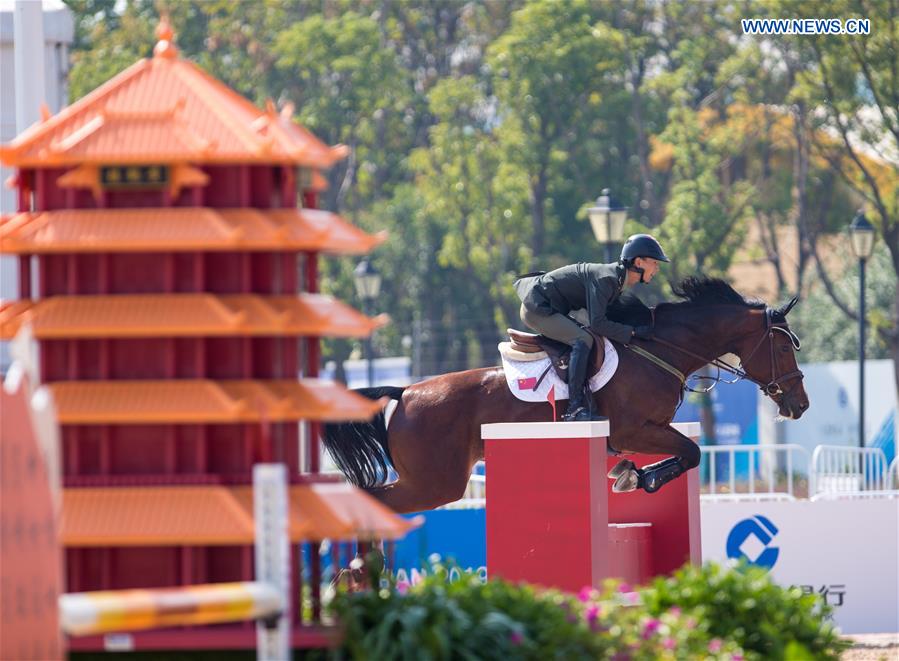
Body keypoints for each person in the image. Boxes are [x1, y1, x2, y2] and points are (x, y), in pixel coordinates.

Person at [514, 234, 669, 422]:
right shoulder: (607, 279)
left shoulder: (616, 280)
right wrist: (633, 332)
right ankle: (574, 408)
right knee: (583, 339)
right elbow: (598, 324)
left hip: (548, 306)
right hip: (536, 308)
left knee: (587, 336)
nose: (657, 268)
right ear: (638, 262)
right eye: (654, 262)